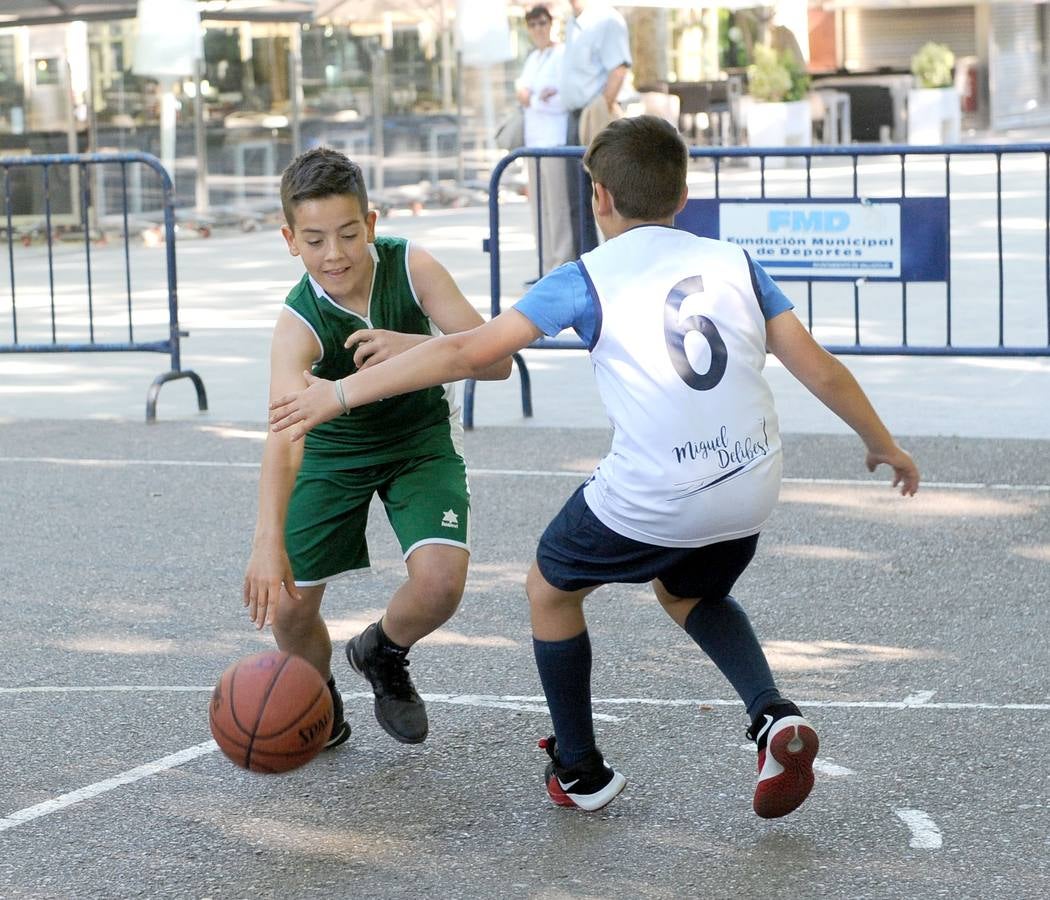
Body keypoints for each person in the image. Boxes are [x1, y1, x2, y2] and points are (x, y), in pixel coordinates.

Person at [267, 117, 920, 816]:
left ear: (599, 197)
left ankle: (579, 769)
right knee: (690, 592)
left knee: (550, 588)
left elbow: (470, 353)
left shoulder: (582, 278)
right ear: (684, 194)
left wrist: (336, 392)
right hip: (751, 481)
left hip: (659, 489)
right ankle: (772, 715)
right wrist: (881, 441)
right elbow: (817, 368)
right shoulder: (735, 262)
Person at [243, 147, 511, 750]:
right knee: (288, 609)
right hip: (333, 452)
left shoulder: (413, 268)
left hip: (420, 441)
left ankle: (382, 651)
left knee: (440, 585)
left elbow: (497, 364)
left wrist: (413, 344)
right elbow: (285, 438)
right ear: (290, 239)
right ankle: (318, 704)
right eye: (314, 240)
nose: (333, 253)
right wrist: (265, 545)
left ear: (371, 221)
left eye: (346, 233)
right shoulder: (298, 323)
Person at [559, 0, 631, 257]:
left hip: (595, 113)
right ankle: (586, 264)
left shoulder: (606, 19)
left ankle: (618, 260)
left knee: (607, 195)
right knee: (579, 200)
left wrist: (601, 108)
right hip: (574, 114)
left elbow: (619, 69)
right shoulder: (573, 22)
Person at [516, 4, 574, 277]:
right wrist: (537, 97)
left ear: (551, 24)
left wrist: (535, 98)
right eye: (533, 24)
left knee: (558, 206)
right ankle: (545, 264)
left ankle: (561, 263)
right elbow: (523, 92)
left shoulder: (562, 55)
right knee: (539, 208)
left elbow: (561, 99)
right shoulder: (533, 59)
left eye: (542, 23)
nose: (538, 29)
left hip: (554, 139)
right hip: (534, 140)